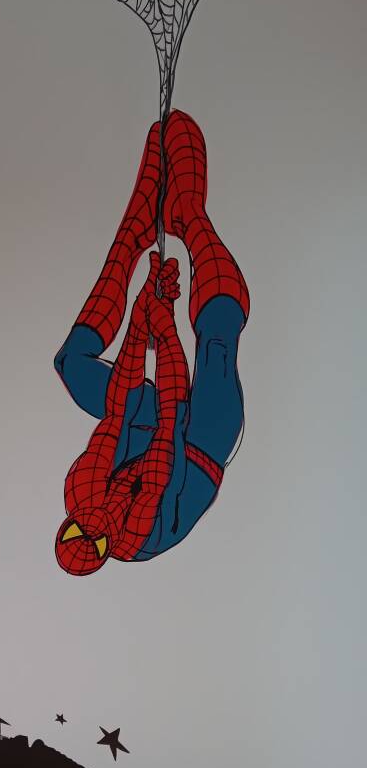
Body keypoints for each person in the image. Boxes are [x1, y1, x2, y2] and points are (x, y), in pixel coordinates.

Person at [54, 111, 249, 575]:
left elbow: (120, 407)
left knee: (72, 364)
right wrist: (164, 324)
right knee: (218, 340)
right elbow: (172, 417)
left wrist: (144, 307)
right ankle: (191, 218)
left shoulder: (81, 488)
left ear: (66, 523)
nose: (92, 526)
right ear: (108, 550)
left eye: (75, 530)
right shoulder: (146, 530)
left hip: (142, 432)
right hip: (199, 446)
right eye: (96, 542)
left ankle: (132, 234)